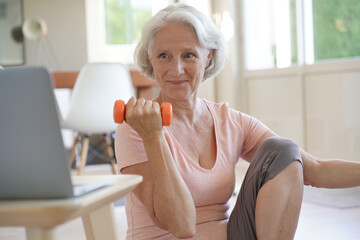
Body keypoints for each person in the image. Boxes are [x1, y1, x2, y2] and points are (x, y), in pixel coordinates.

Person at [115, 3, 360, 239]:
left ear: (208, 58)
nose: (176, 69)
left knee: (283, 149)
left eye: (188, 55)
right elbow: (182, 227)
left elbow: (315, 169)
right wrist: (154, 137)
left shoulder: (229, 122)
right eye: (163, 56)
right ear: (151, 59)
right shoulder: (136, 128)